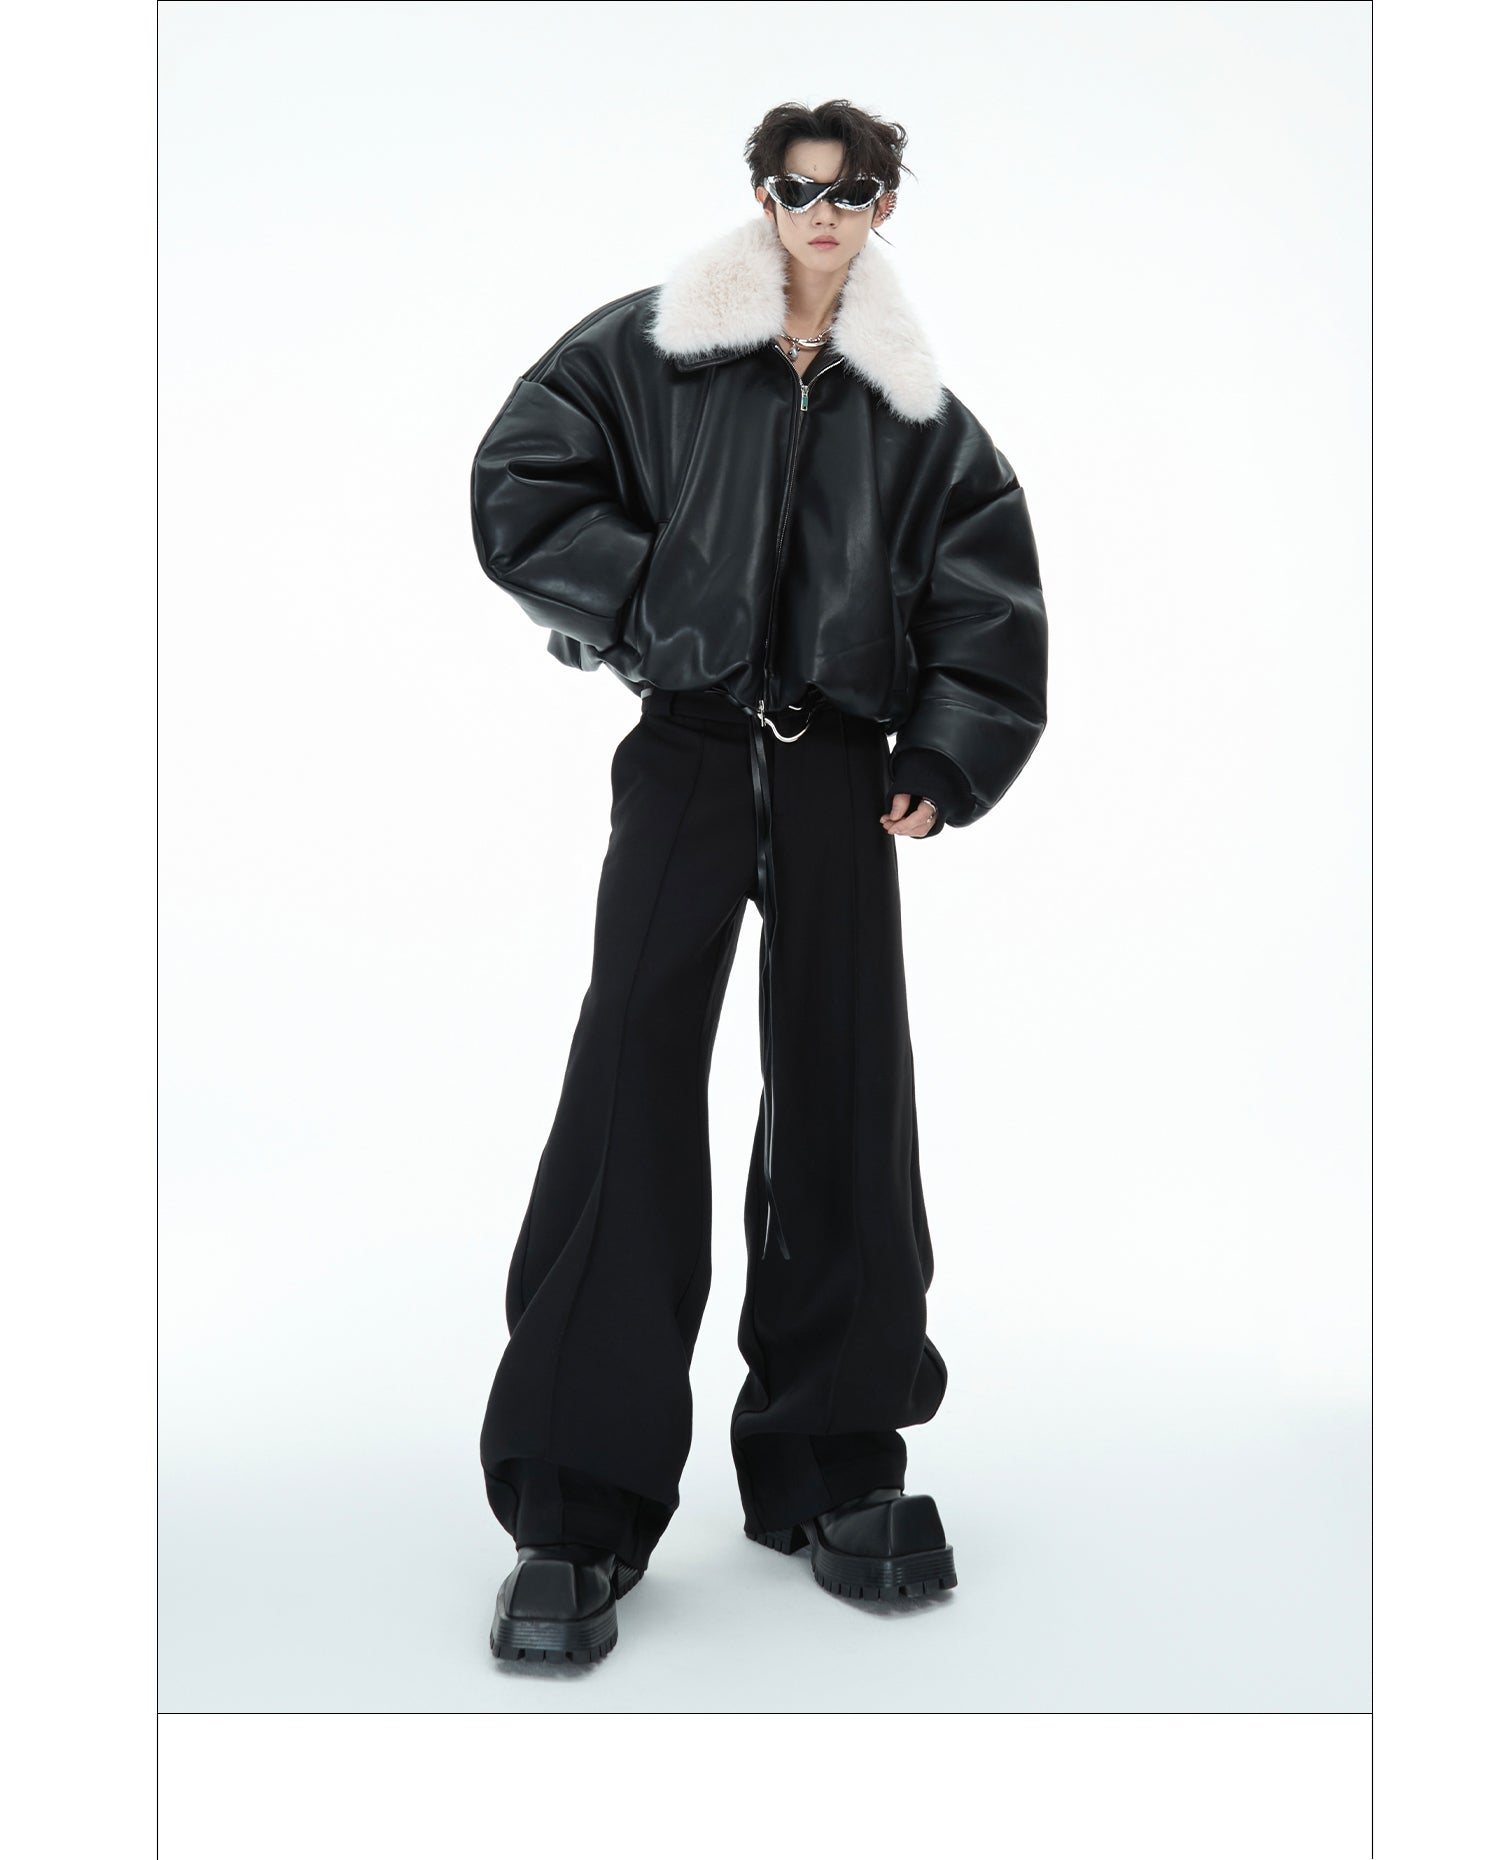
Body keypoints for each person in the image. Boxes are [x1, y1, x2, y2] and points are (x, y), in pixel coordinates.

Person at [470, 98, 1049, 1665]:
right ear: (764, 196)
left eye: (851, 192)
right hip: (690, 746)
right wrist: (652, 598)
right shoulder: (656, 346)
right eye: (798, 190)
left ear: (882, 208)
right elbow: (523, 478)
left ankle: (835, 1464)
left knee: (848, 1093)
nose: (822, 213)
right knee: (629, 1084)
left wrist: (946, 750)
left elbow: (988, 586)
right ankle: (576, 1504)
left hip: (842, 770)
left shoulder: (917, 410)